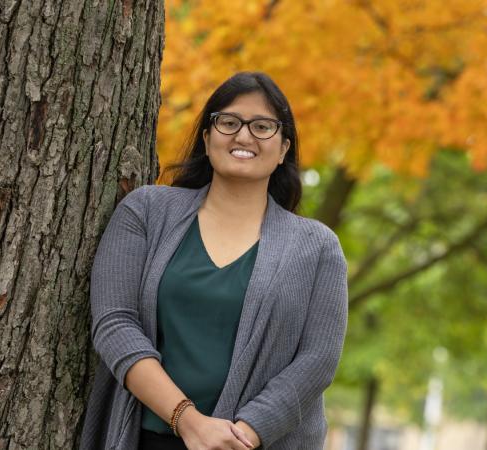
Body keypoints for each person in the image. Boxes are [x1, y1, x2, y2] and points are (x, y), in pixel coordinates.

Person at [79, 72, 349, 450]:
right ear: (207, 138)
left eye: (262, 126)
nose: (243, 136)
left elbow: (317, 361)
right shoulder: (145, 212)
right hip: (147, 438)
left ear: (284, 149)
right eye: (228, 122)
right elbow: (114, 324)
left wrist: (243, 435)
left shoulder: (317, 248)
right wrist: (189, 422)